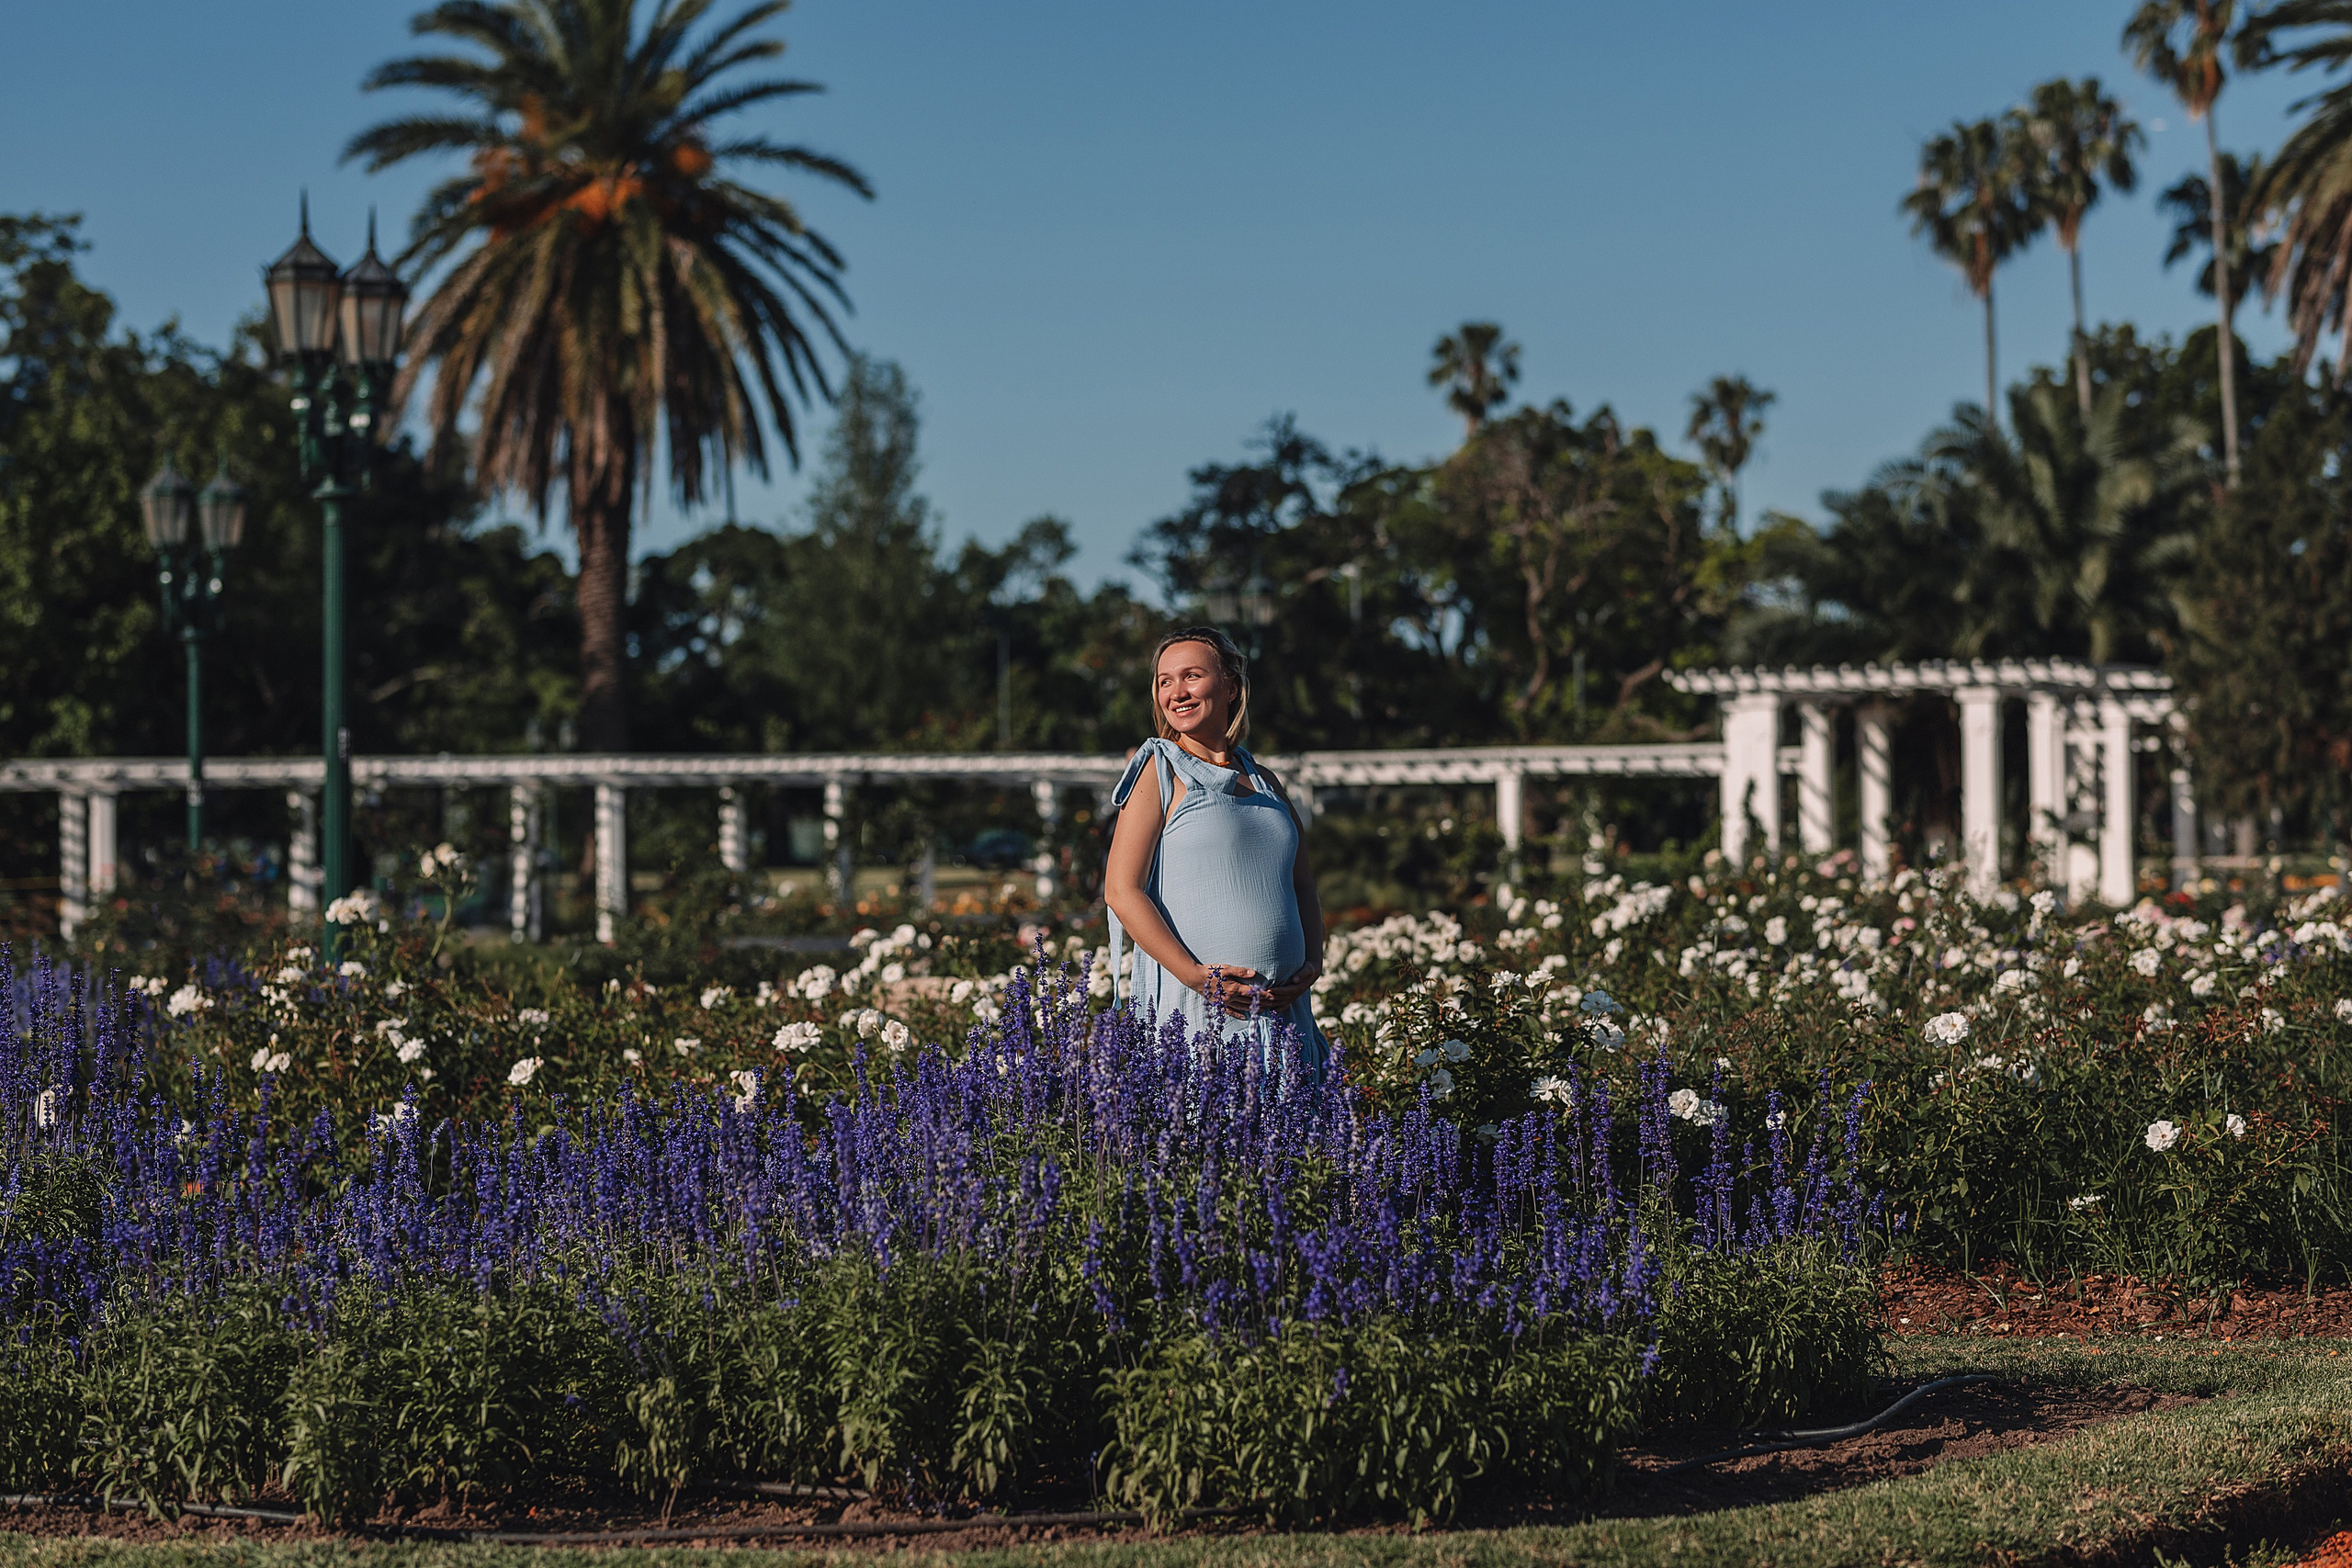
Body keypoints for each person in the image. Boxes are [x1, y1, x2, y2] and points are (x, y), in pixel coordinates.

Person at [1103, 626, 1326, 1070]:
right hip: (1198, 1014)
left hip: (1285, 1017)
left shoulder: (1264, 779)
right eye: (1165, 681)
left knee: (1296, 1138)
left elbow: (1300, 882)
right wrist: (1194, 977)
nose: (1176, 692)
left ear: (1231, 686)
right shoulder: (1159, 771)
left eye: (1191, 676)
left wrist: (1313, 963)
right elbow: (1121, 890)